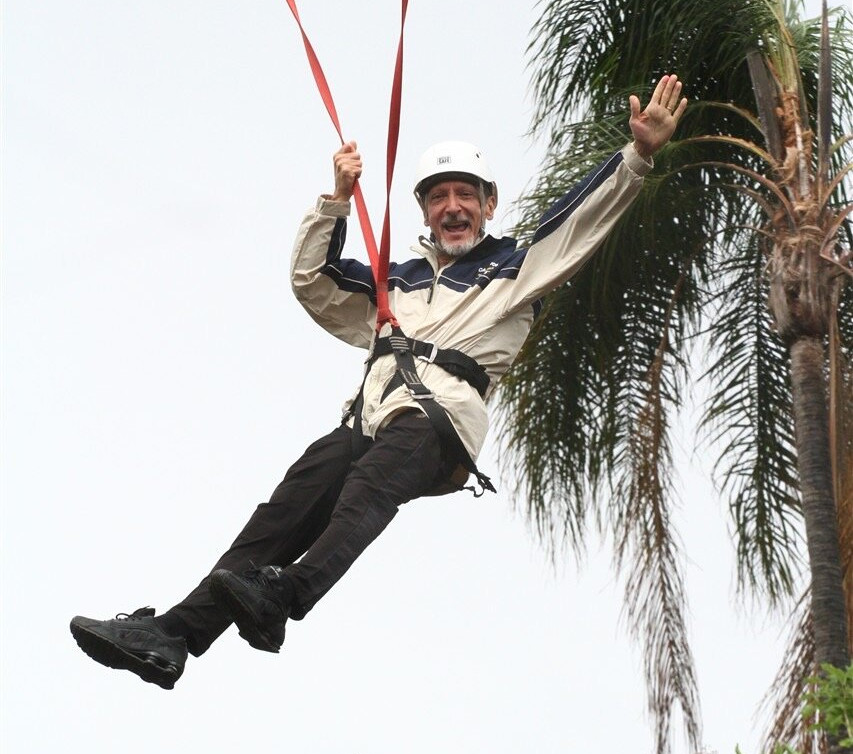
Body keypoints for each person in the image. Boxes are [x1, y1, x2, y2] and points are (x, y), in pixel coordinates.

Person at [70, 75, 688, 689]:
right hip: (371, 420)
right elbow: (313, 282)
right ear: (424, 209)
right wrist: (336, 200)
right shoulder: (395, 281)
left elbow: (577, 221)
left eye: (465, 194)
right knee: (288, 508)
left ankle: (291, 593)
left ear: (489, 204)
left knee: (369, 481)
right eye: (440, 196)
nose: (453, 207)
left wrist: (638, 155)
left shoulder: (514, 267)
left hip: (438, 422)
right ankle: (175, 634)